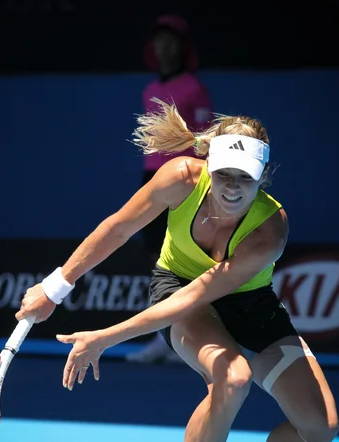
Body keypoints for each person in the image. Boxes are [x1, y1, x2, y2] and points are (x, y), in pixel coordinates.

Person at [16, 99, 339, 442]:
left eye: (245, 179)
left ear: (262, 178)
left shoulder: (270, 229)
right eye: (225, 174)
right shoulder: (178, 179)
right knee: (232, 377)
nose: (232, 188)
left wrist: (106, 336)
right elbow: (119, 228)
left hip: (249, 306)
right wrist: (54, 287)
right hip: (179, 288)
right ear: (209, 162)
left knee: (320, 428)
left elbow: (207, 293)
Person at [126, 14, 213, 364]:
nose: (164, 46)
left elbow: (206, 140)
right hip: (153, 179)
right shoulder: (149, 91)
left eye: (171, 39)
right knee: (157, 261)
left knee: (188, 260)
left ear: (182, 47)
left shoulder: (195, 89)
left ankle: (194, 337)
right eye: (158, 39)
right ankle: (164, 338)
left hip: (188, 181)